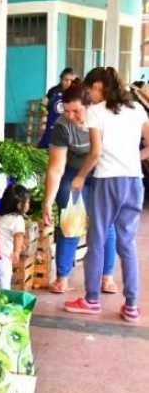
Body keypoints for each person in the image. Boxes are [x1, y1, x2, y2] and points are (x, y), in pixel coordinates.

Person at [63, 67, 149, 322]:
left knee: (97, 239)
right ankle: (131, 305)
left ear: (98, 87)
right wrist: (133, 158)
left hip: (107, 181)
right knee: (127, 243)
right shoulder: (137, 109)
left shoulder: (96, 112)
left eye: (89, 89)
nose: (88, 95)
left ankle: (91, 300)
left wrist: (80, 176)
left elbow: (96, 153)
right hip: (134, 181)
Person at [41, 80, 117, 294]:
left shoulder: (104, 119)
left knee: (105, 224)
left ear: (89, 106)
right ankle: (62, 277)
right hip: (73, 174)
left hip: (102, 174)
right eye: (67, 111)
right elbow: (56, 168)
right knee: (70, 222)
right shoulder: (62, 126)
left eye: (76, 111)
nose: (71, 116)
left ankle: (107, 276)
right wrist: (47, 202)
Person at [0, 184, 30, 291]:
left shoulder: (1, 217)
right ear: (20, 205)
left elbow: (5, 234)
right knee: (5, 277)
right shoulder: (18, 219)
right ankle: (5, 297)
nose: (28, 205)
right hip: (4, 257)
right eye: (27, 202)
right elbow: (18, 236)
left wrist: (20, 244)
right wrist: (17, 251)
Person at [38, 67, 76, 149]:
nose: (68, 83)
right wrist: (43, 109)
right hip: (51, 129)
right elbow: (43, 105)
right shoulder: (53, 91)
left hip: (69, 131)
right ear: (61, 79)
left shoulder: (77, 93)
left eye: (71, 80)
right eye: (66, 80)